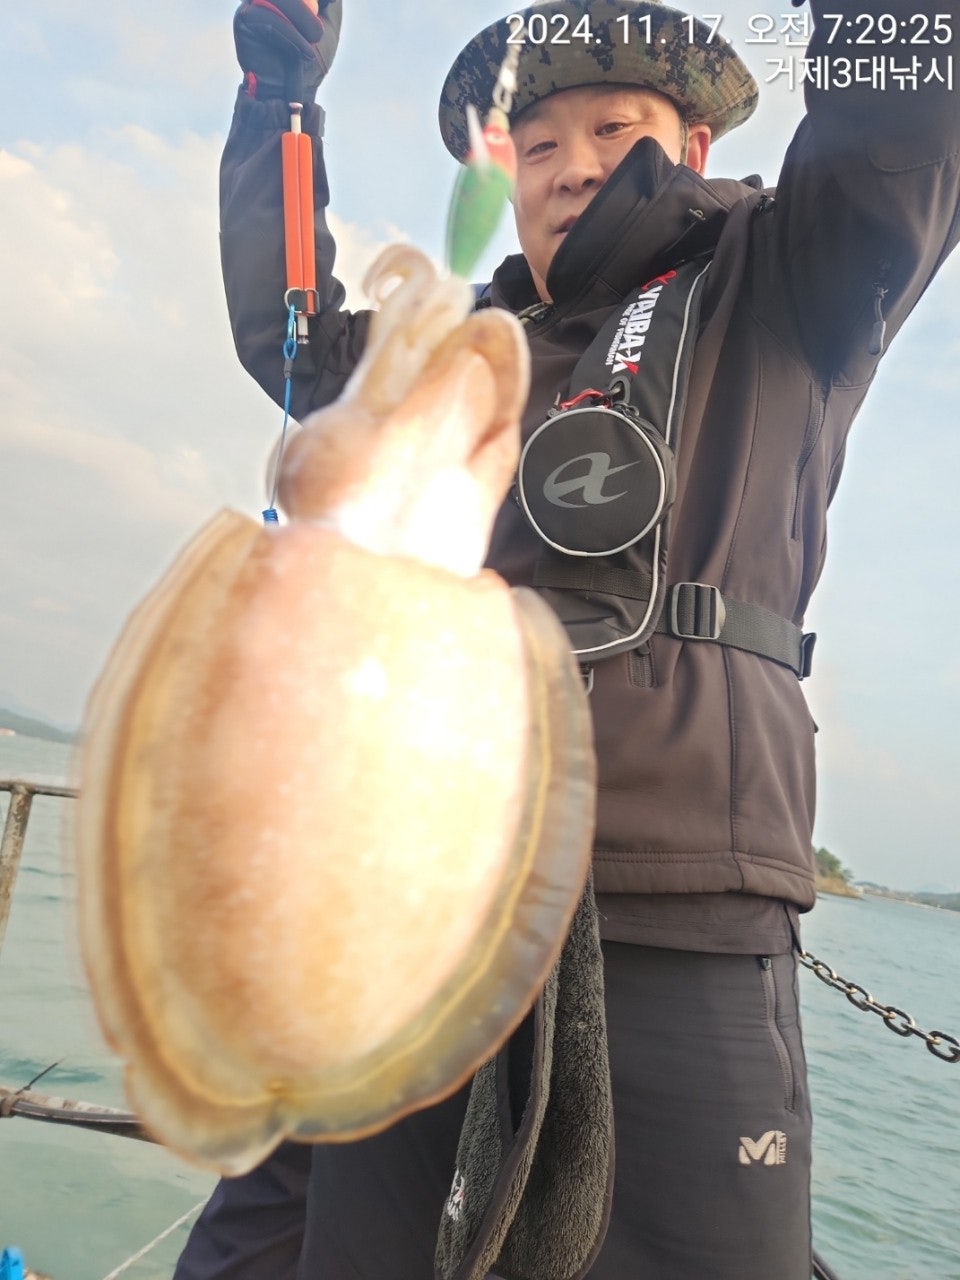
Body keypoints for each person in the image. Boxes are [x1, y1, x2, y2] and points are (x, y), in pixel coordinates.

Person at [176, 1, 960, 1277]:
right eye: (535, 145)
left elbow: (898, 131)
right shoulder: (443, 357)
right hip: (421, 905)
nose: (573, 165)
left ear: (693, 144)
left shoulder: (788, 277)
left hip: (678, 911)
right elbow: (287, 331)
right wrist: (277, 89)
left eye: (614, 128)